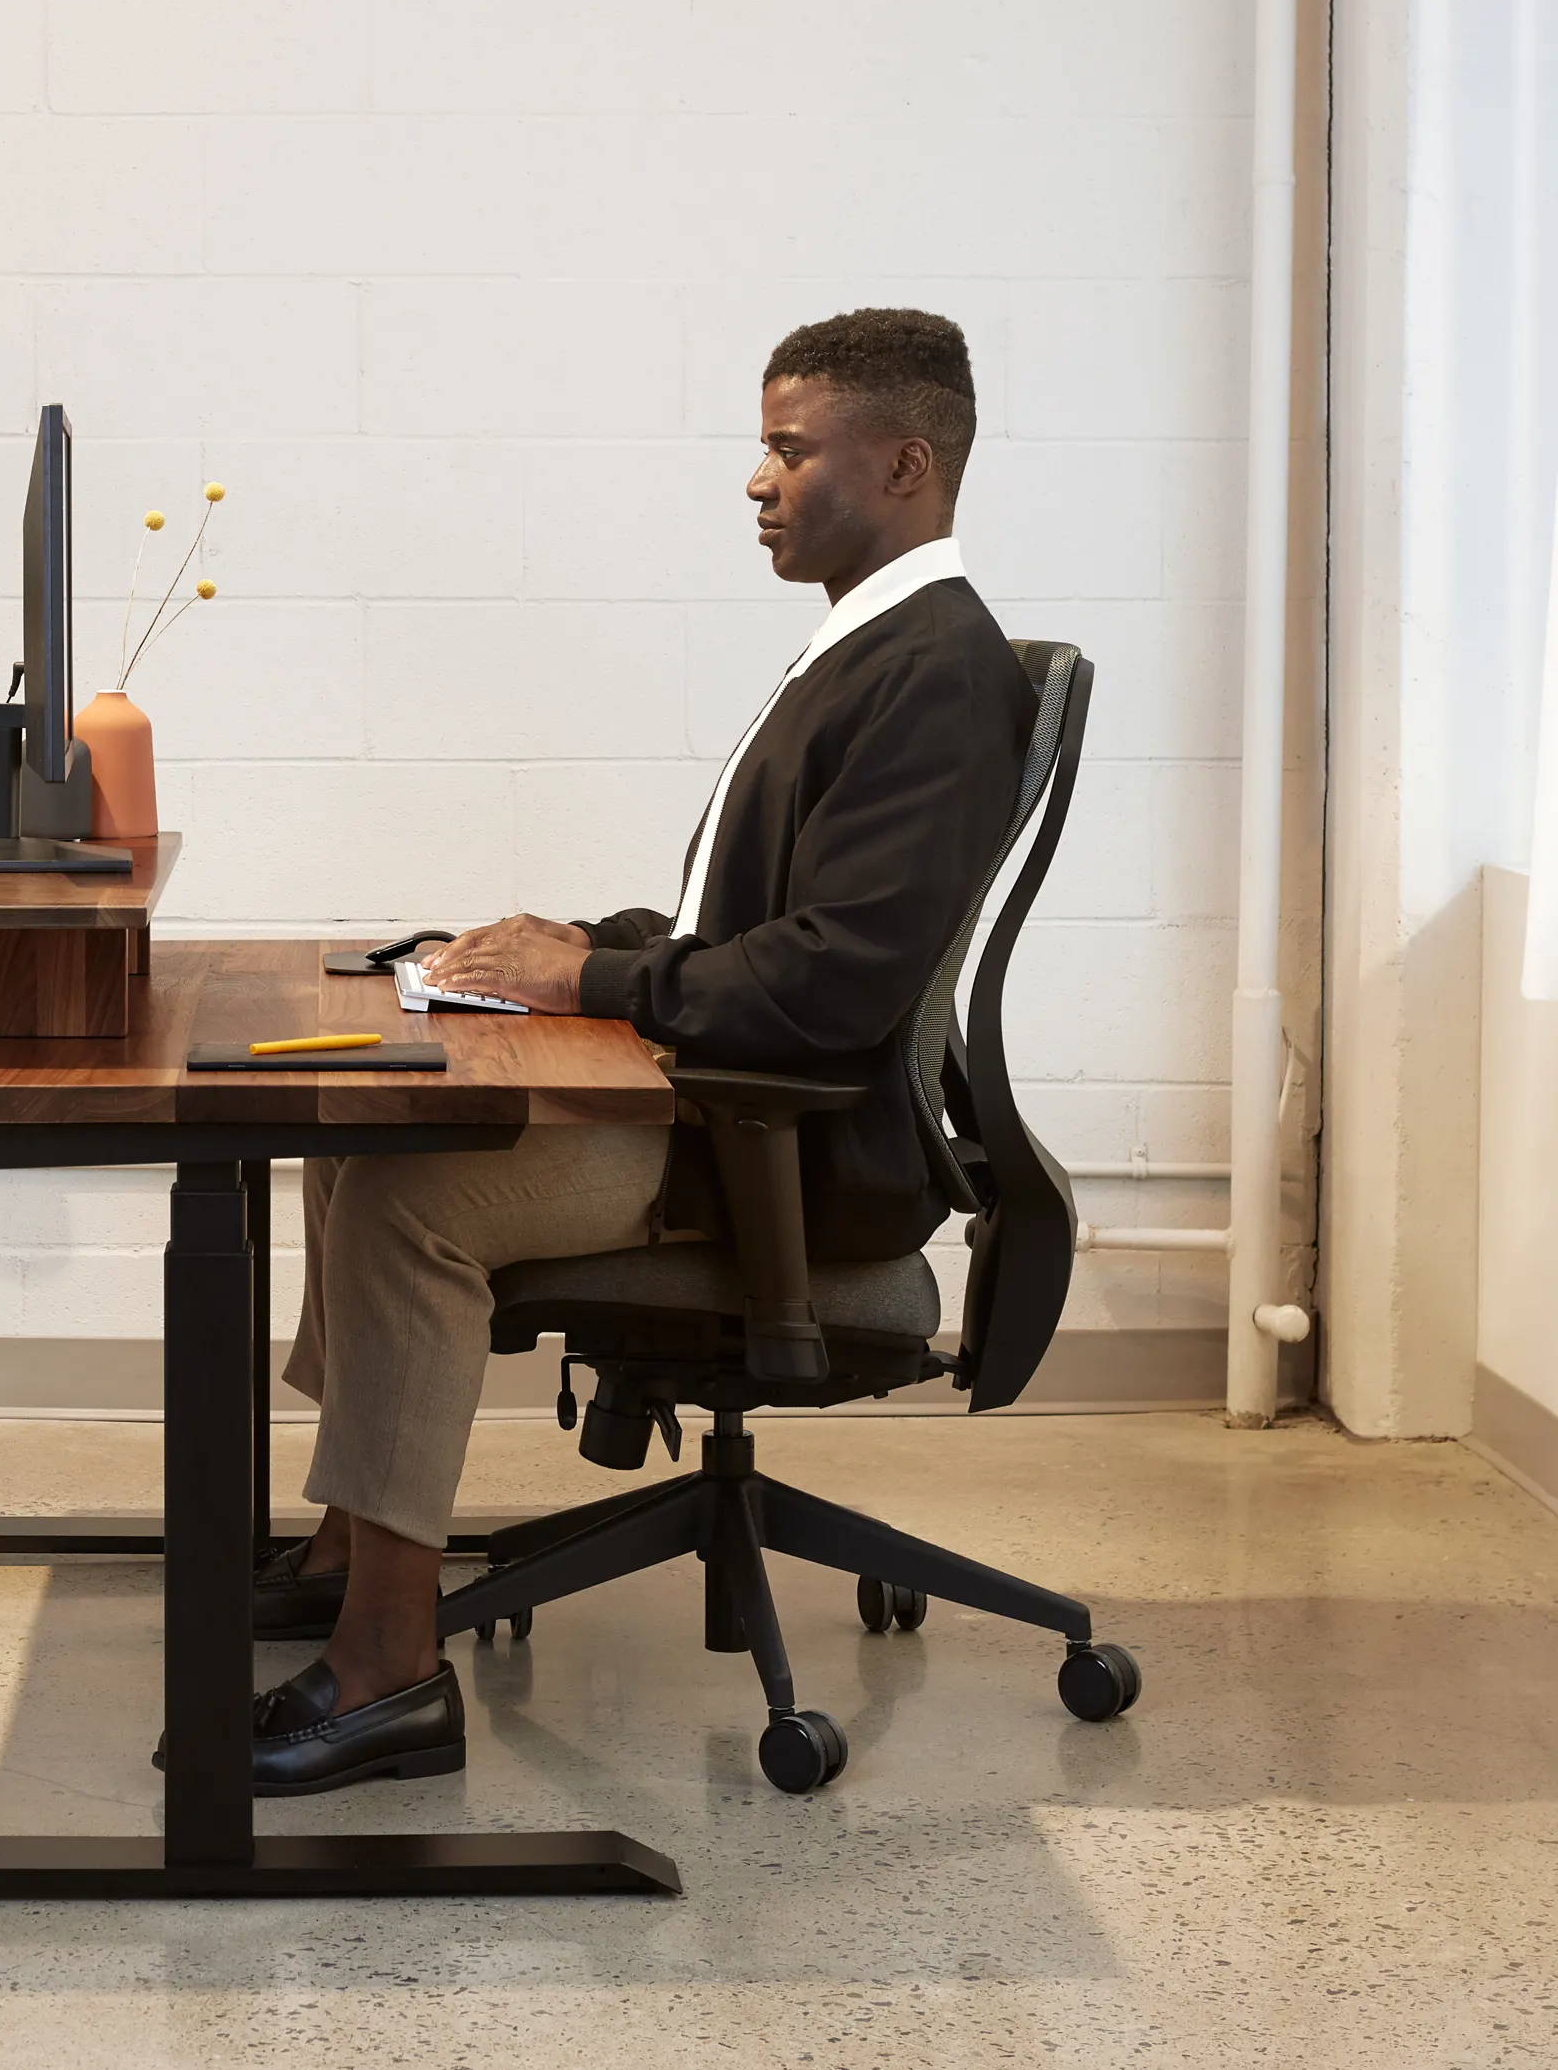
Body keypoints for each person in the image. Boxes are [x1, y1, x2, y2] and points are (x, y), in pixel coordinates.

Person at [235, 307, 1038, 1797]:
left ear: (908, 464)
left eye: (791, 451)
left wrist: (596, 975)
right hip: (733, 1108)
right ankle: (352, 1550)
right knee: (363, 1137)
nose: (758, 480)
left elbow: (835, 985)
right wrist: (562, 947)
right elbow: (750, 922)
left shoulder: (933, 671)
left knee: (417, 1201)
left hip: (792, 1150)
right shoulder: (866, 648)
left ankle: (385, 1671)